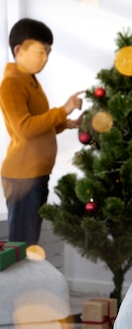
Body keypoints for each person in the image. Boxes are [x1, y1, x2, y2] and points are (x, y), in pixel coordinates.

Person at [0, 18, 83, 246]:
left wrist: (65, 123)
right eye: (40, 51)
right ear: (19, 50)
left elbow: (39, 126)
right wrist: (63, 109)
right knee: (22, 244)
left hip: (35, 173)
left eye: (48, 52)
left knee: (29, 241)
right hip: (22, 176)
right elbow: (24, 129)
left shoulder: (29, 81)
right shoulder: (12, 83)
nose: (45, 58)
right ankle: (20, 283)